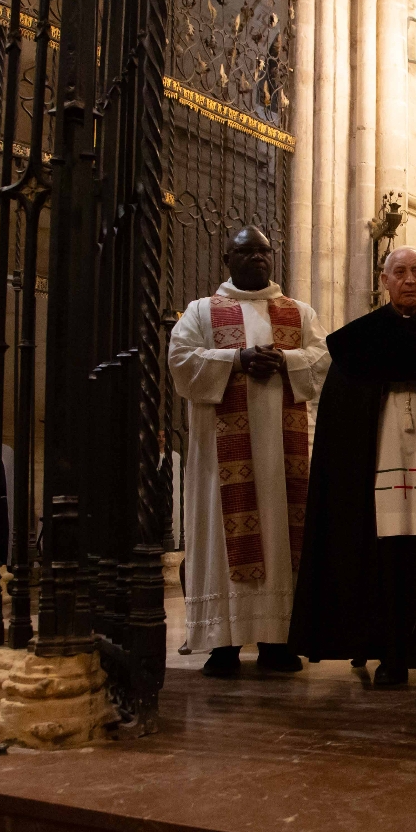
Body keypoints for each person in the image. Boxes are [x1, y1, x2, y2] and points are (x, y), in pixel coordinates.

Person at [289, 247, 416, 686]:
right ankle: (389, 655)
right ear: (385, 280)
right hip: (379, 460)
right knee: (385, 554)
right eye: (400, 272)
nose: (409, 280)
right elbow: (342, 417)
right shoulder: (357, 343)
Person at [167, 227, 329, 676]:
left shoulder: (298, 312)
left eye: (263, 250)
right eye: (246, 251)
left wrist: (285, 360)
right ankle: (223, 645)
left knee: (280, 535)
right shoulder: (202, 311)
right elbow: (180, 360)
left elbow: (323, 358)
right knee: (222, 539)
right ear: (228, 259)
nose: (257, 257)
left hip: (282, 456)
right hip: (220, 459)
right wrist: (237, 360)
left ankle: (278, 642)